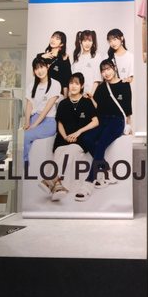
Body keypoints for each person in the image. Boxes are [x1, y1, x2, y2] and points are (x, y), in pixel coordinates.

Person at [75, 60, 133, 201]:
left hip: (117, 121)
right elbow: (98, 108)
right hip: (102, 121)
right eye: (103, 70)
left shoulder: (125, 85)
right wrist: (91, 99)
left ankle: (89, 181)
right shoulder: (101, 87)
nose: (106, 73)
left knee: (101, 143)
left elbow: (127, 110)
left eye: (108, 69)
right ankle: (106, 169)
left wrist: (129, 126)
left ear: (114, 68)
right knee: (86, 138)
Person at [40, 73, 98, 201]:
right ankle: (58, 186)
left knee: (71, 151)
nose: (73, 86)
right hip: (63, 138)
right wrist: (65, 136)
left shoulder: (87, 102)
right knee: (60, 151)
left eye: (77, 83)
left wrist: (78, 132)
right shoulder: (63, 103)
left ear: (81, 86)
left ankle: (51, 179)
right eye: (71, 83)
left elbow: (95, 122)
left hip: (79, 139)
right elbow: (59, 123)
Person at [23, 57, 61, 163]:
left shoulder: (55, 84)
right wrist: (27, 122)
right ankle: (26, 162)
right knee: (22, 135)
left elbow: (46, 109)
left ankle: (25, 162)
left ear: (47, 67)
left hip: (48, 121)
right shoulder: (31, 85)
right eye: (36, 68)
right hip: (33, 118)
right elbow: (29, 105)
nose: (40, 71)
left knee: (26, 135)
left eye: (42, 67)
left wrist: (34, 125)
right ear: (34, 71)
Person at [38, 31, 72, 95]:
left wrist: (65, 98)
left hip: (57, 93)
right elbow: (36, 73)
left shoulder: (64, 59)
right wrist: (42, 57)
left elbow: (66, 80)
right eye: (52, 37)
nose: (53, 40)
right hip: (42, 92)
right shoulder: (41, 56)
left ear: (61, 44)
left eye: (57, 39)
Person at [71, 30, 101, 96]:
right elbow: (73, 78)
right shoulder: (77, 57)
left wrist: (91, 94)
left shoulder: (97, 56)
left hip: (92, 94)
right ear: (80, 41)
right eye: (84, 41)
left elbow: (97, 78)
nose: (87, 44)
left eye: (90, 41)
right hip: (78, 95)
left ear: (93, 42)